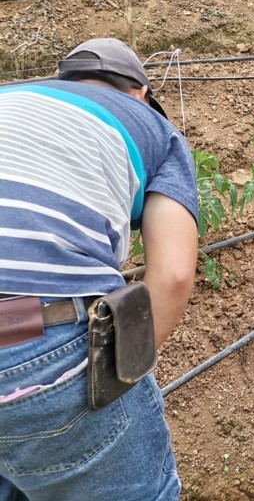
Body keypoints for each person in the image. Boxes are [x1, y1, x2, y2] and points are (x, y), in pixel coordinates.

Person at [0, 38, 199, 500]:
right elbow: (172, 275)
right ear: (141, 93)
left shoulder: (12, 97)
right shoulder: (153, 127)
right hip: (38, 338)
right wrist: (118, 373)